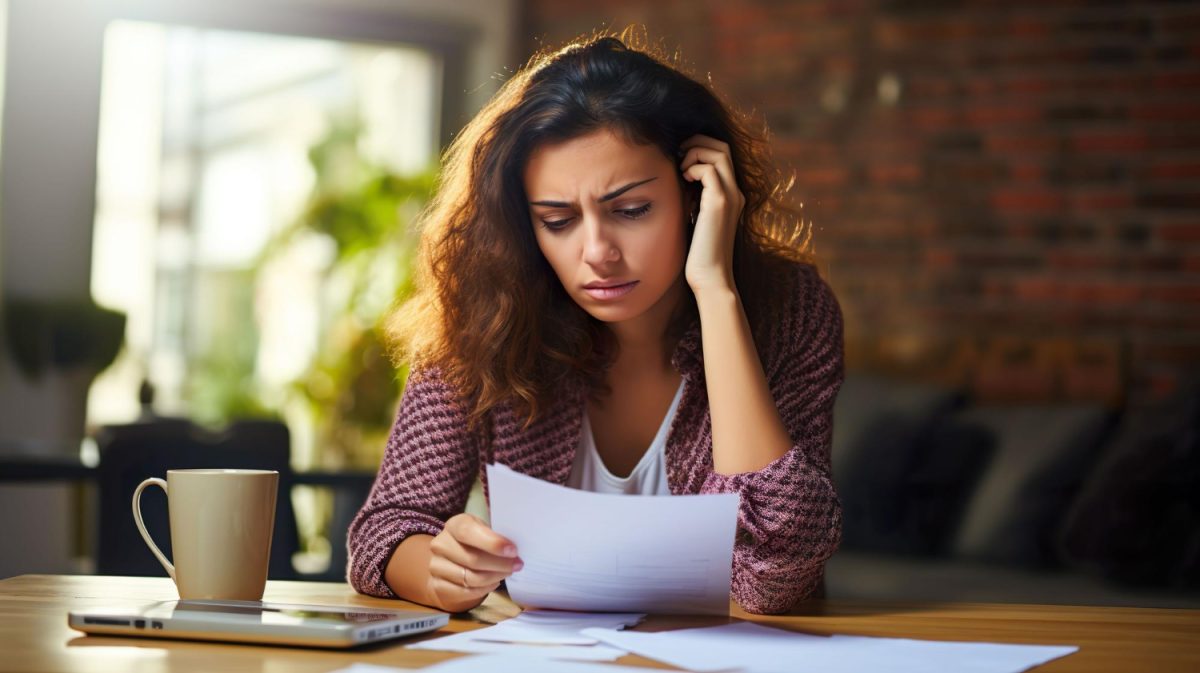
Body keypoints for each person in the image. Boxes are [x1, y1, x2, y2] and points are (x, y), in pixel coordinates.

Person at [347, 31, 844, 616]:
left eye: (631, 211)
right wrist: (439, 571)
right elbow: (384, 532)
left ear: (696, 195)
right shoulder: (483, 316)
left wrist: (716, 292)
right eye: (557, 220)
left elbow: (776, 573)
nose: (597, 252)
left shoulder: (790, 310)